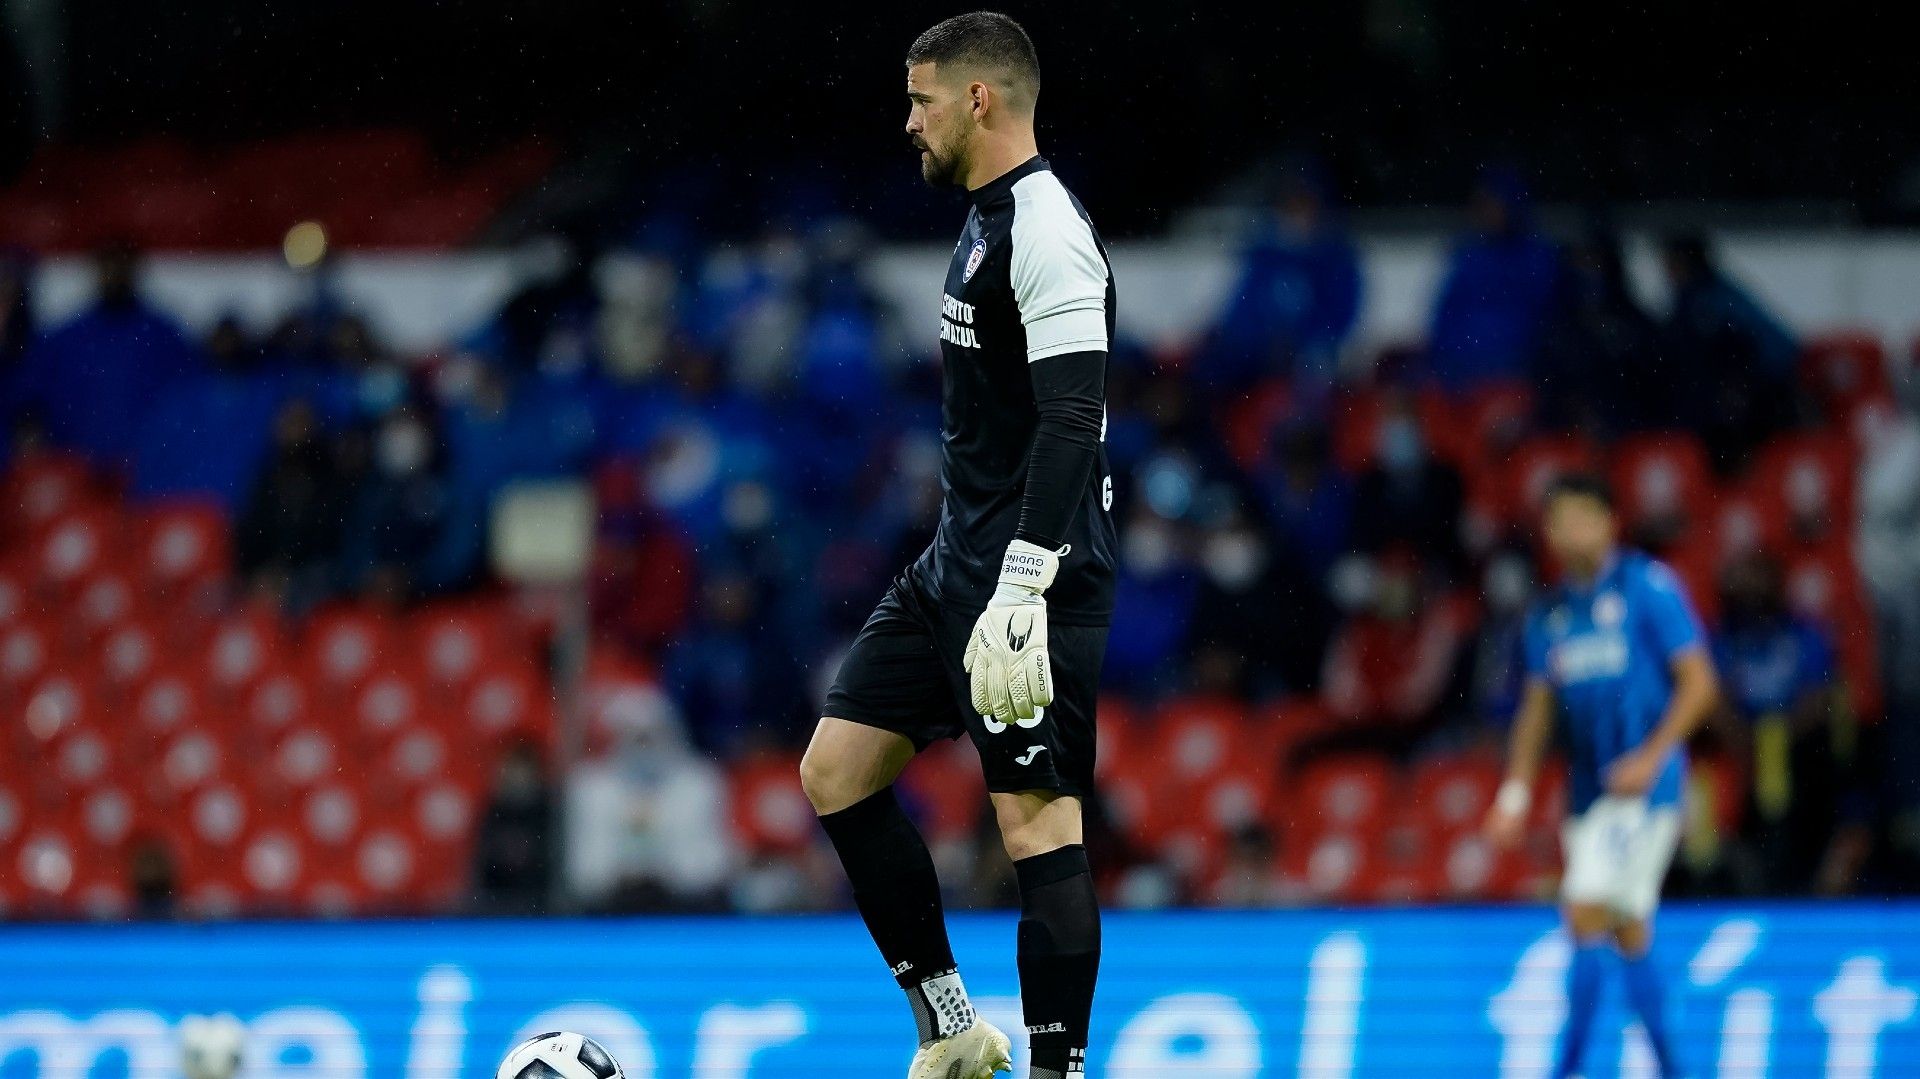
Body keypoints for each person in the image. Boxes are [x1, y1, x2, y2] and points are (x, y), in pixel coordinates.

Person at [798, 14, 1116, 1079]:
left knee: (1038, 832)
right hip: (955, 565)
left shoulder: (1049, 229)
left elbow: (1074, 418)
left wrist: (1025, 585)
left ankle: (1056, 1070)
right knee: (837, 770)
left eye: (921, 100)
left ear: (979, 99)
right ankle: (950, 1024)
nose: (909, 122)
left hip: (1032, 580)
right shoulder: (985, 217)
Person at [1484, 474, 1719, 1079]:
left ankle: (1566, 1069)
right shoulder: (1550, 615)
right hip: (1588, 795)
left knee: (1585, 912)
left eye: (1582, 517)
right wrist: (1514, 794)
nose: (1570, 531)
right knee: (1629, 931)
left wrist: (1652, 757)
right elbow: (1537, 712)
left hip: (1648, 789)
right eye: (1559, 520)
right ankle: (1672, 1069)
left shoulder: (1648, 588)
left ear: (1610, 522)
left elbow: (1699, 684)